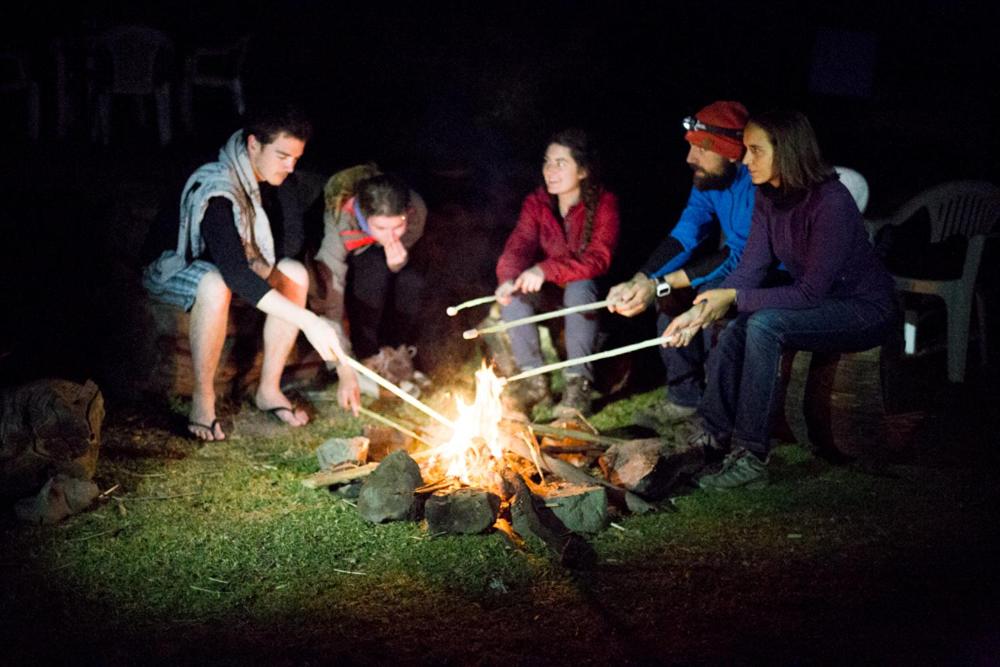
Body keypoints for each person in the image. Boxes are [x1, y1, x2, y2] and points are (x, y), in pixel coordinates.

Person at [663, 109, 896, 489]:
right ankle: (714, 431)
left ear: (786, 151)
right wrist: (704, 308)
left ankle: (751, 456)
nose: (744, 159)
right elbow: (750, 269)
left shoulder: (830, 201)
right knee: (736, 322)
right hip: (821, 304)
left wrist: (735, 297)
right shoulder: (768, 195)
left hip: (863, 308)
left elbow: (810, 291)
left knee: (766, 323)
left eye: (755, 150)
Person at [142, 104, 353, 441]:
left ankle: (268, 389)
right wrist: (309, 321)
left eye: (296, 158)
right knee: (213, 284)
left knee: (295, 273)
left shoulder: (274, 179)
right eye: (283, 155)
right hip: (175, 265)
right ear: (254, 144)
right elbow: (236, 274)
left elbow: (284, 249)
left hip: (233, 264)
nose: (291, 166)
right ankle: (203, 398)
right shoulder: (217, 188)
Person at [606, 101, 756, 430]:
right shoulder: (711, 179)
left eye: (702, 149)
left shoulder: (758, 183)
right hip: (736, 264)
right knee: (671, 302)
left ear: (732, 152)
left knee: (709, 301)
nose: (691, 159)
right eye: (691, 147)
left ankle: (715, 419)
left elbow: (739, 253)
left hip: (769, 275)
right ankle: (685, 398)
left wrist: (662, 283)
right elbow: (686, 235)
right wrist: (643, 279)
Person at [495, 128, 620, 417]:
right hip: (551, 290)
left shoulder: (604, 204)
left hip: (594, 295)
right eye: (547, 162)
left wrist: (545, 269)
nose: (550, 170)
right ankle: (533, 379)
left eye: (560, 163)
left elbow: (599, 259)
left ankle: (578, 383)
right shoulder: (538, 202)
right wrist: (508, 279)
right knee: (513, 297)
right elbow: (519, 244)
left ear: (584, 170)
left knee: (580, 286)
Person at [310, 165, 428, 406]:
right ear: (364, 215)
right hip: (347, 246)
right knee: (371, 275)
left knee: (411, 282)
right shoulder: (340, 218)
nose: (391, 235)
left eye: (397, 226)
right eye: (381, 228)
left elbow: (402, 251)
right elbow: (330, 287)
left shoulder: (417, 211)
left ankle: (395, 352)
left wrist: (398, 264)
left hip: (384, 255)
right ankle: (368, 357)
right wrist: (341, 360)